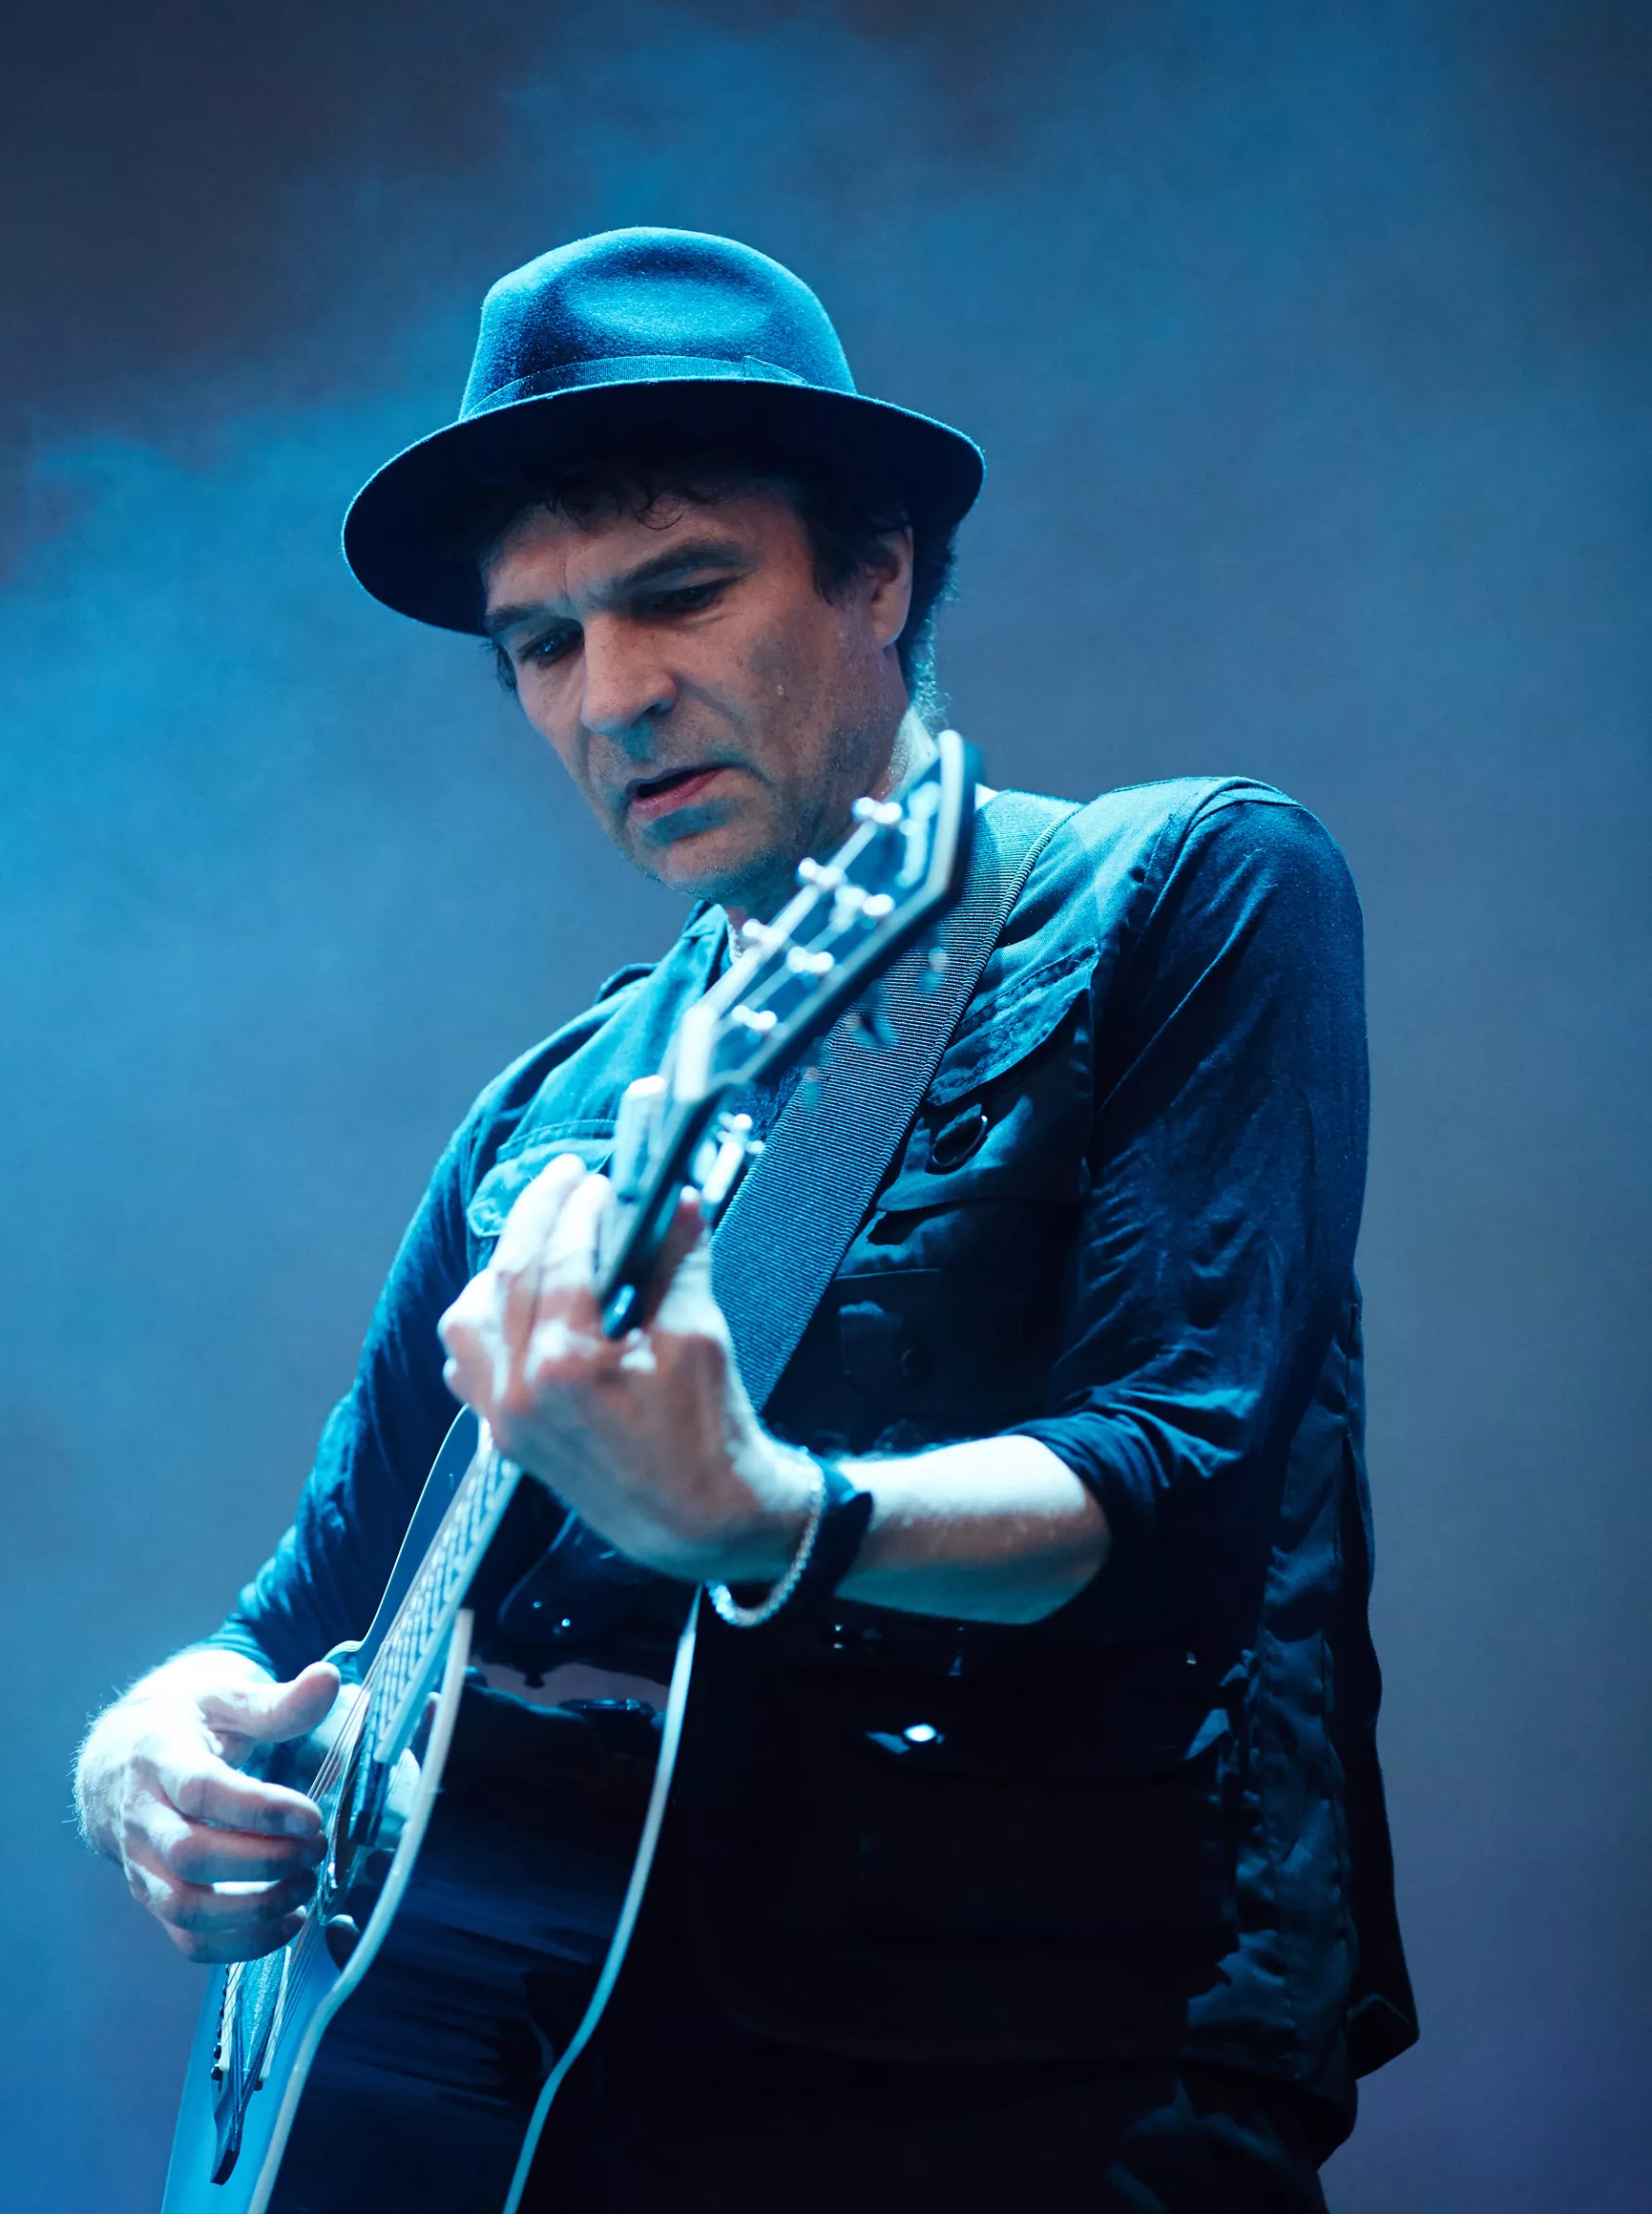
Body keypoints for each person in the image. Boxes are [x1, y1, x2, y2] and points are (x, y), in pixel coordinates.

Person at [74, 227, 1415, 2209]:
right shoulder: (546, 1112)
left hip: (1045, 2086)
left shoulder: (1186, 890)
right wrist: (146, 1750)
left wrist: (763, 1516)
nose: (613, 698)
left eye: (681, 591)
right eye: (541, 645)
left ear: (877, 573)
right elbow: (294, 1623)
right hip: (559, 2103)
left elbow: (1182, 1485)